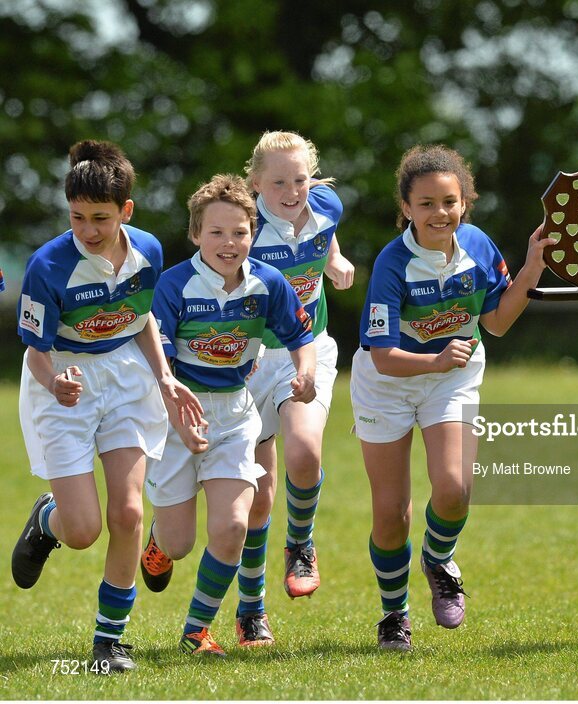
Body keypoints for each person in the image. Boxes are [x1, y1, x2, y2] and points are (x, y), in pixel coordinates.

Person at [351, 144, 552, 651]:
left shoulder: (479, 246)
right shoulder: (393, 263)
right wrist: (436, 359)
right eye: (426, 204)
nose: (439, 213)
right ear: (406, 209)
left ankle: (439, 558)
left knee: (456, 488)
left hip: (451, 378)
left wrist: (531, 268)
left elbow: (497, 323)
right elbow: (383, 356)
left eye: (449, 202)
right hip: (388, 383)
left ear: (465, 202)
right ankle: (394, 616)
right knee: (391, 514)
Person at [12, 140, 202, 674]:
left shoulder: (147, 251)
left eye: (100, 217)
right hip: (64, 381)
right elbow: (35, 351)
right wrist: (56, 386)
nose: (88, 230)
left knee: (129, 511)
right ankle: (46, 521)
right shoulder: (48, 265)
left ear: (126, 211)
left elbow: (140, 317)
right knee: (82, 531)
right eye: (77, 217)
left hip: (126, 379)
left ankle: (110, 641)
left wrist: (164, 377)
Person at [141, 174, 316, 656]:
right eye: (216, 232)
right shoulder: (173, 285)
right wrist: (180, 419)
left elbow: (302, 336)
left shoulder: (268, 282)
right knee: (178, 544)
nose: (229, 242)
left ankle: (195, 631)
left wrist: (305, 374)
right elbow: (163, 365)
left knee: (234, 526)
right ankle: (157, 542)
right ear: (196, 234)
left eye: (239, 232)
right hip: (178, 413)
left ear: (253, 235)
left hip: (237, 416)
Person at [238, 132, 352, 640]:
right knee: (256, 498)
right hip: (245, 361)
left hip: (308, 347)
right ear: (256, 183)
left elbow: (323, 232)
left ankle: (301, 545)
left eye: (300, 179)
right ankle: (250, 611)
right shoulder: (246, 226)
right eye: (278, 181)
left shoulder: (327, 203)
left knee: (305, 449)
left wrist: (334, 259)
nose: (292, 191)